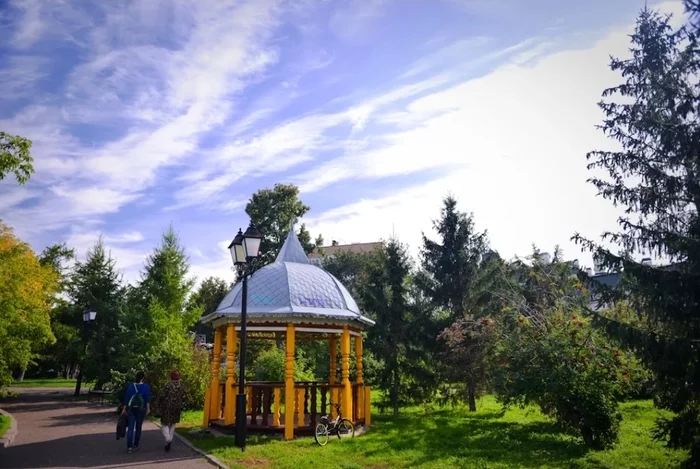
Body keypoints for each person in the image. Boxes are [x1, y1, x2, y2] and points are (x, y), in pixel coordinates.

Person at [122, 370, 151, 454]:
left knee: (130, 428)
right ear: (143, 378)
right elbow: (147, 398)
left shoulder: (131, 386)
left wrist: (124, 409)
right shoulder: (146, 387)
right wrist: (148, 408)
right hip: (141, 409)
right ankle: (136, 444)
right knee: (138, 427)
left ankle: (129, 447)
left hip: (131, 409)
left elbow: (127, 398)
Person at [158, 370, 187, 452]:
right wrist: (182, 406)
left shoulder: (167, 385)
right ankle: (169, 440)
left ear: (170, 377)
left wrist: (159, 404)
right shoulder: (182, 386)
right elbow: (185, 397)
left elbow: (161, 395)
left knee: (164, 424)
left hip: (167, 407)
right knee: (173, 424)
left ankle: (168, 439)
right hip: (177, 408)